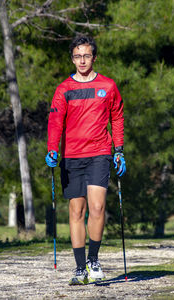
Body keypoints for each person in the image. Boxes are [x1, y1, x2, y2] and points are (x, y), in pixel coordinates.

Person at [45, 35, 126, 285]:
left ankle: (93, 260)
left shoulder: (108, 86)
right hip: (72, 156)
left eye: (87, 55)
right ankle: (80, 269)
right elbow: (56, 121)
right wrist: (52, 150)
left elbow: (118, 117)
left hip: (100, 152)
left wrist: (119, 150)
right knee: (76, 210)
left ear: (94, 57)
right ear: (72, 58)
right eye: (78, 56)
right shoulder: (64, 89)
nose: (82, 60)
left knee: (98, 207)